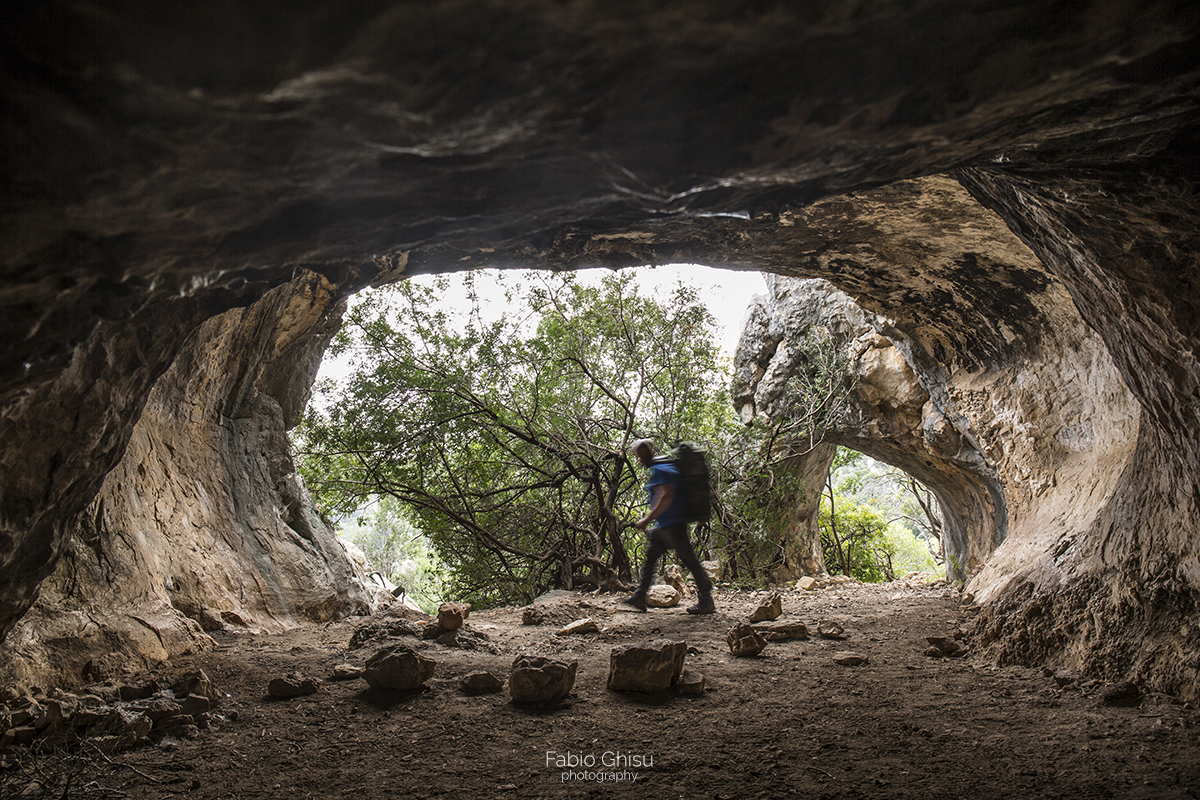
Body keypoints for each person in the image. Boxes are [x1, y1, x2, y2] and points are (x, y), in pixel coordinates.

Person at [623, 439, 716, 615]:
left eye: (642, 455)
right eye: (638, 456)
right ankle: (640, 595)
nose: (640, 459)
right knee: (652, 557)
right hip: (666, 526)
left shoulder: (660, 468)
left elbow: (666, 495)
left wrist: (647, 519)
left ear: (649, 451)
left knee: (691, 562)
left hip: (673, 526)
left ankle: (706, 600)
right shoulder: (663, 466)